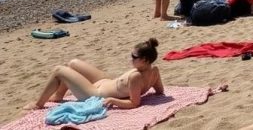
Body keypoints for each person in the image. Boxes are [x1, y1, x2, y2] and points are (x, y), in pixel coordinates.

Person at [23, 39, 163, 111]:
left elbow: (134, 103)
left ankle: (38, 104)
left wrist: (113, 101)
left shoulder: (136, 77)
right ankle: (59, 95)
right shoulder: (154, 70)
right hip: (105, 81)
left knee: (59, 70)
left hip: (95, 93)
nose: (130, 59)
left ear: (144, 60)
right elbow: (159, 91)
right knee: (73, 63)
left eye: (133, 56)